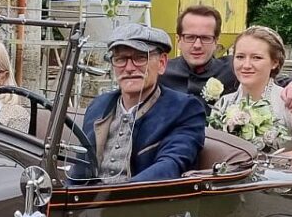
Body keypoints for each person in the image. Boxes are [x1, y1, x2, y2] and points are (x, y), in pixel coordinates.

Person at [70, 23, 205, 183]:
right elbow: (79, 171)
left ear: (162, 63)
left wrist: (115, 197)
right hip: (87, 204)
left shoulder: (183, 109)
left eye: (140, 58)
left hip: (142, 203)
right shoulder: (98, 106)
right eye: (120, 59)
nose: (129, 68)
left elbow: (170, 166)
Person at [213, 25, 292, 169]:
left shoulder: (289, 100)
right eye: (240, 57)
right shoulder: (224, 103)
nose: (246, 65)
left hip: (271, 184)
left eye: (256, 58)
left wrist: (267, 160)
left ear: (275, 62)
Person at [162, 5, 292, 116]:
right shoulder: (161, 72)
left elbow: (277, 79)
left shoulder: (234, 67)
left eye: (206, 38)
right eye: (190, 37)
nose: (197, 45)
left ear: (216, 41)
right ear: (178, 40)